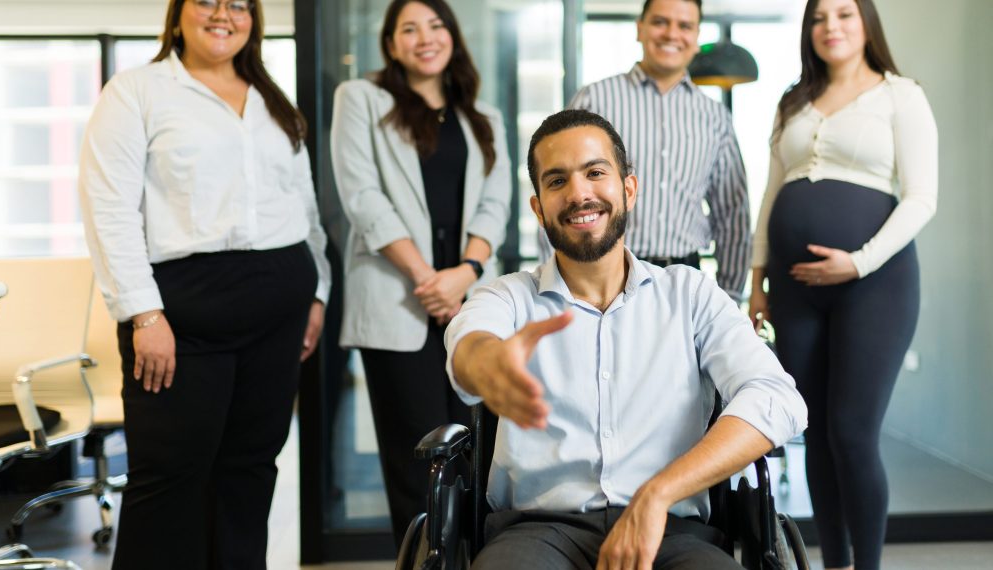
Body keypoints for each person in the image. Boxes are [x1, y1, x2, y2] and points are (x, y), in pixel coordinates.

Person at [445, 109, 807, 570]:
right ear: (538, 208)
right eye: (556, 182)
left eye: (595, 173)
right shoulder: (509, 297)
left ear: (628, 190)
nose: (579, 194)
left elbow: (778, 397)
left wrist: (660, 492)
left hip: (674, 530)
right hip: (535, 533)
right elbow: (468, 345)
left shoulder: (690, 293)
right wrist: (489, 365)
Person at [77, 0, 331, 567]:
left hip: (280, 305)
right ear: (178, 15)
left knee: (250, 471)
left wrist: (318, 293)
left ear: (253, 20)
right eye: (207, 1)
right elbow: (109, 211)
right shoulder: (136, 91)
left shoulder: (271, 99)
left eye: (238, 3)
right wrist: (144, 314)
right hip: (180, 312)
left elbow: (304, 208)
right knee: (168, 478)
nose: (223, 13)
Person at [747, 1, 938, 568]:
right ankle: (833, 563)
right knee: (816, 435)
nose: (831, 26)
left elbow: (922, 197)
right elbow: (770, 192)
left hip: (875, 285)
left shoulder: (901, 95)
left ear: (866, 25)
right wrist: (757, 281)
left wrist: (858, 261)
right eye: (819, 17)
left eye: (845, 14)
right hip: (794, 288)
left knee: (853, 432)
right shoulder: (793, 101)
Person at [330, 0, 511, 542]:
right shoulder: (360, 98)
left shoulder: (482, 113)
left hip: (471, 299)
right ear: (390, 44)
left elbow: (496, 205)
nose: (424, 38)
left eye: (435, 26)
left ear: (452, 36)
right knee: (415, 455)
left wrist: (466, 271)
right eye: (408, 28)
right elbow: (362, 198)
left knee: (479, 450)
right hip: (396, 297)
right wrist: (427, 281)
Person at [565, 0, 750, 301]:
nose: (672, 34)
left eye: (685, 26)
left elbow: (732, 213)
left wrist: (729, 294)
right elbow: (562, 196)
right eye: (660, 22)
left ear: (696, 35)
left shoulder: (714, 116)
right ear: (640, 28)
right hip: (603, 276)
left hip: (684, 281)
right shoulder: (594, 100)